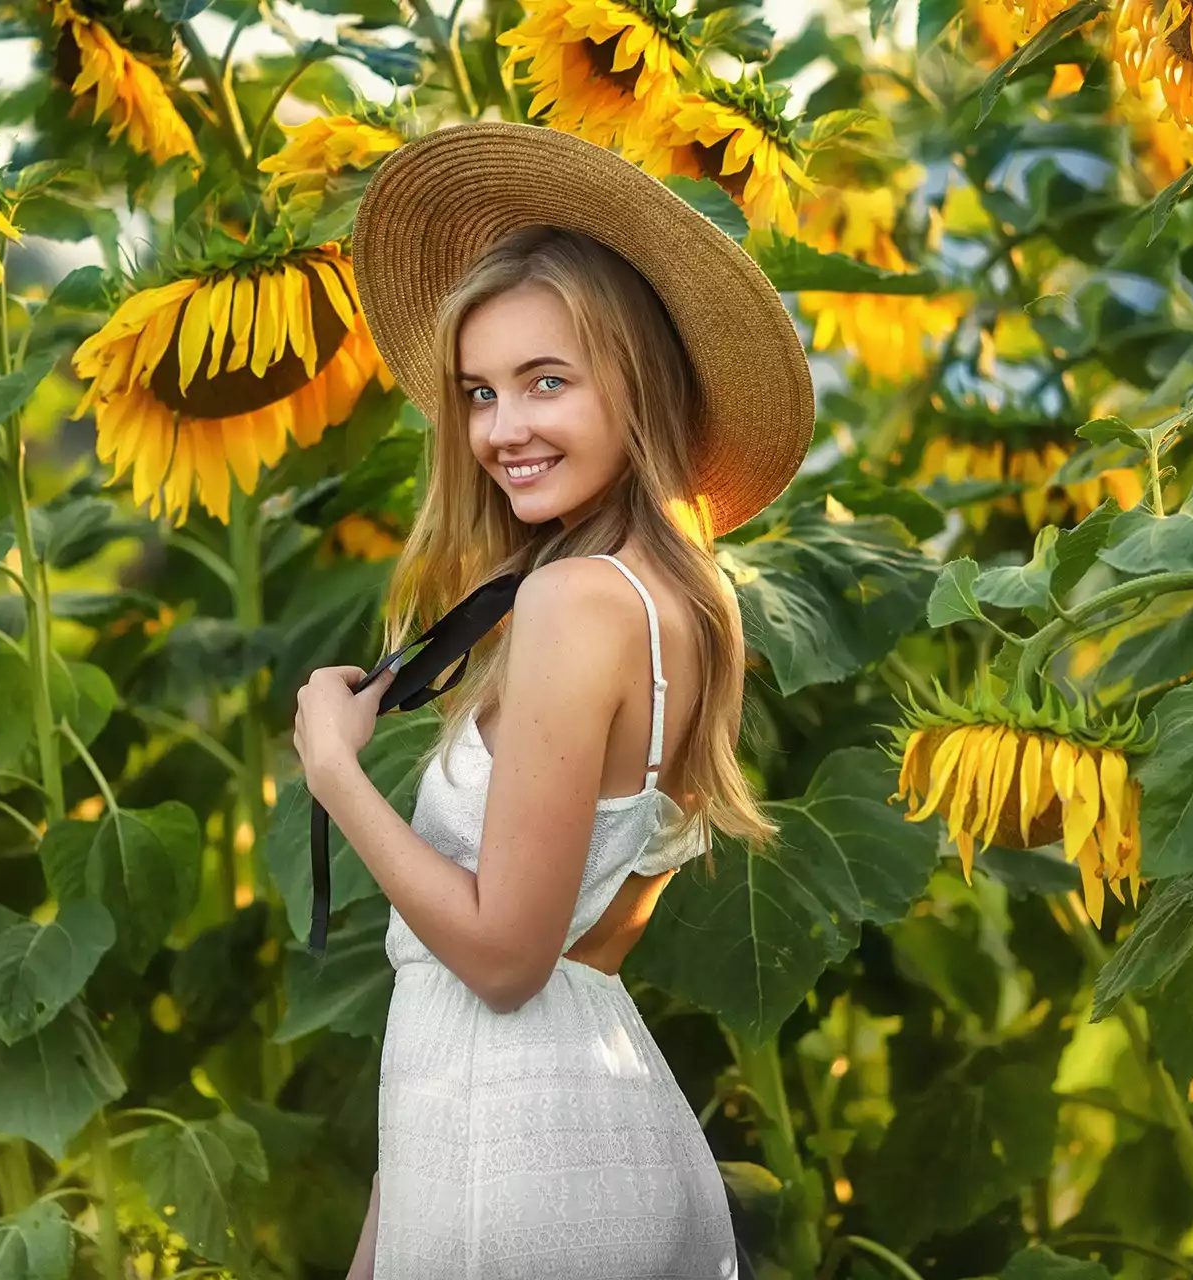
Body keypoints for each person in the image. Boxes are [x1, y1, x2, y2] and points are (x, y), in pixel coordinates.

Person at [291, 121, 816, 1279]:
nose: (500, 430)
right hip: (551, 1140)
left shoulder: (577, 604)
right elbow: (588, 950)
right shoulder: (677, 602)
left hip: (518, 1174)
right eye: (479, 391)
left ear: (641, 385)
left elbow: (505, 958)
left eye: (547, 381)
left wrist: (334, 766)